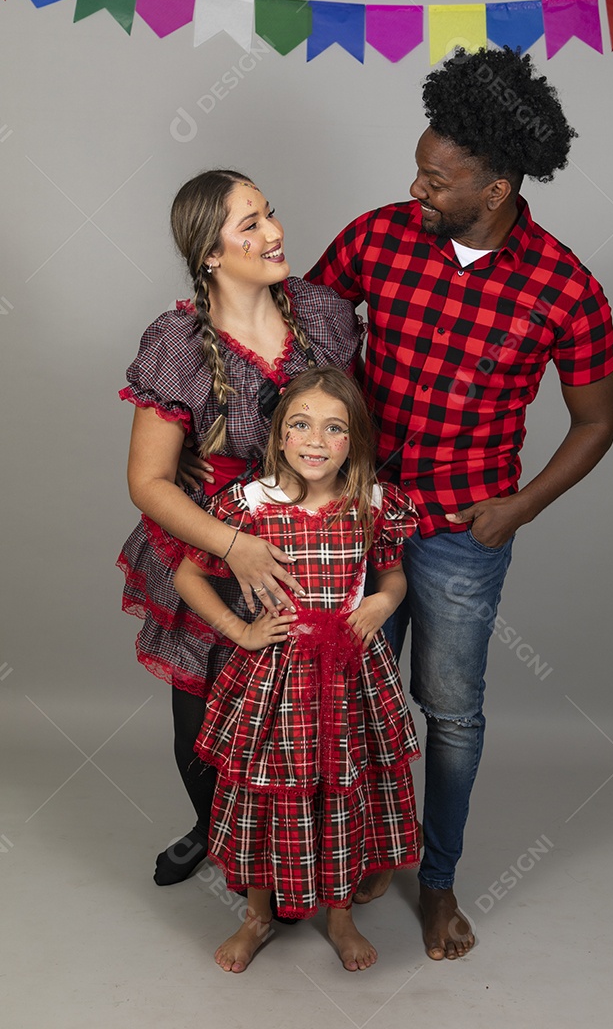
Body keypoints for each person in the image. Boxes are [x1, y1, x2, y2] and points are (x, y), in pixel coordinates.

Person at [305, 47, 613, 961]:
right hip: (357, 515)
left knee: (450, 710)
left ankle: (436, 883)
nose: (416, 186)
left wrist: (520, 507)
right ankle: (362, 856)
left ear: (498, 187)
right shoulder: (378, 235)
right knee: (351, 697)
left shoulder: (565, 287)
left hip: (461, 534)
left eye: (438, 178)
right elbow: (310, 336)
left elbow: (596, 423)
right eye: (417, 167)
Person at [117, 170, 363, 886]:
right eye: (248, 224)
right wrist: (236, 545)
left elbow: (350, 430)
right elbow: (147, 481)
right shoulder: (179, 344)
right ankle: (213, 834)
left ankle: (296, 862)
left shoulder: (322, 315)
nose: (274, 232)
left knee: (295, 720)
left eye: (270, 214)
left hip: (312, 545)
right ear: (211, 254)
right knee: (201, 724)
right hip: (216, 542)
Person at [173, 367, 420, 972]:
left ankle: (340, 917)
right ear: (279, 435)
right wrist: (241, 631)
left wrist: (383, 603)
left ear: (353, 441)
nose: (316, 439)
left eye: (334, 429)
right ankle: (258, 916)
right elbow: (187, 573)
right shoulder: (249, 505)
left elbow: (392, 577)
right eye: (301, 424)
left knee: (343, 791)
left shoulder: (372, 506)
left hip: (347, 679)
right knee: (269, 792)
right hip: (277, 675)